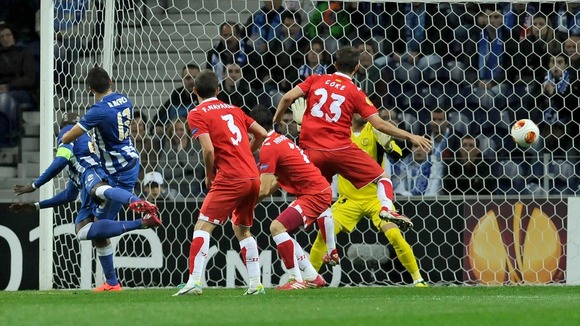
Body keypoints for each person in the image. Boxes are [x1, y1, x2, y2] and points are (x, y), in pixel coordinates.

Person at [274, 46, 432, 231]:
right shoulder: (355, 91)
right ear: (357, 67)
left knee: (319, 195)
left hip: (312, 151)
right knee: (382, 178)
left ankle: (302, 228)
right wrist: (411, 135)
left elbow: (287, 98)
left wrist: (276, 122)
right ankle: (387, 208)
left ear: (334, 64)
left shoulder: (316, 79)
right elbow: (379, 124)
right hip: (340, 150)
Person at [10, 112, 160, 292]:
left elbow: (60, 160)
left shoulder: (67, 132)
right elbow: (68, 195)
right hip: (90, 180)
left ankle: (136, 204)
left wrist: (35, 185)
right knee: (84, 231)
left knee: (96, 189)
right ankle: (112, 283)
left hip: (93, 173)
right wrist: (36, 206)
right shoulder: (78, 157)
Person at [174, 69, 268, 296]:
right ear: (218, 90)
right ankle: (256, 283)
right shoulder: (234, 109)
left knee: (202, 226)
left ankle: (195, 281)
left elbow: (208, 150)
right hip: (252, 177)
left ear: (194, 90)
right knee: (242, 229)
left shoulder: (196, 113)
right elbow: (263, 133)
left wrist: (209, 174)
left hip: (230, 177)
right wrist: (247, 151)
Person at [308, 113, 428, 287]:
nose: (363, 112)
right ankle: (310, 280)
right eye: (358, 109)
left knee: (394, 234)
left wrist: (388, 146)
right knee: (324, 234)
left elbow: (398, 154)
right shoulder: (339, 132)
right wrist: (300, 127)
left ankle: (418, 279)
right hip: (348, 199)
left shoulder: (375, 130)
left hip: (375, 198)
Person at [61, 67, 151, 289]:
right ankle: (112, 282)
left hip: (117, 169)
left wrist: (68, 133)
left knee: (95, 228)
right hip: (125, 161)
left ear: (90, 89)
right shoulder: (124, 99)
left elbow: (69, 135)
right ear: (111, 81)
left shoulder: (97, 111)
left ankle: (141, 218)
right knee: (96, 226)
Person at [251, 106, 333, 290]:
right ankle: (312, 276)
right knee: (282, 231)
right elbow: (277, 182)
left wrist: (247, 205)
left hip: (314, 194)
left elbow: (264, 189)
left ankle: (295, 279)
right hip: (316, 191)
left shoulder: (269, 147)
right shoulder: (279, 140)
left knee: (276, 227)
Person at [0, 23, 37, 147]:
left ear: (13, 36)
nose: (5, 38)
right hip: (2, 91)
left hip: (22, 92)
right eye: (2, 36)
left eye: (8, 35)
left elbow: (29, 79)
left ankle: (11, 135)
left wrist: (8, 87)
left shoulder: (23, 53)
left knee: (5, 99)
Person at [154, 64, 200, 137]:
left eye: (195, 78)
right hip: (176, 137)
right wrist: (158, 126)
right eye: (188, 78)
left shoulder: (205, 96)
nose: (192, 81)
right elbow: (158, 119)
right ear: (182, 80)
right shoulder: (176, 97)